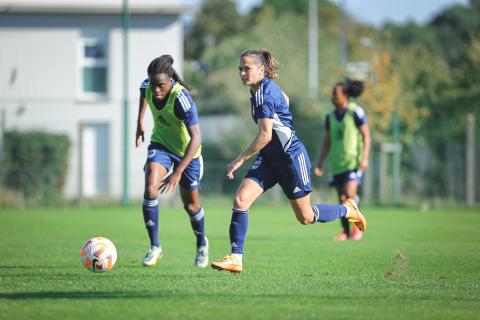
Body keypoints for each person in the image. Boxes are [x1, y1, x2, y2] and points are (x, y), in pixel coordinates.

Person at [211, 49, 367, 273]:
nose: (243, 73)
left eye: (247, 69)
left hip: (291, 158)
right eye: (240, 69)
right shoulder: (259, 91)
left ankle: (347, 210)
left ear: (261, 70)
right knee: (241, 201)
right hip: (269, 159)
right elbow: (285, 99)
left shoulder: (264, 94)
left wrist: (239, 159)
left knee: (306, 217)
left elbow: (264, 136)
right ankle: (236, 258)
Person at [135, 55, 208, 267]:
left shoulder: (181, 98)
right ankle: (155, 247)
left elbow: (196, 138)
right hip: (161, 145)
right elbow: (144, 94)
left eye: (161, 86)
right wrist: (140, 123)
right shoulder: (147, 86)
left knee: (191, 206)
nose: (156, 91)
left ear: (170, 81)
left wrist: (177, 173)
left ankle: (202, 243)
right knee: (150, 190)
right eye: (153, 85)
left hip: (188, 154)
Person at [314, 79, 371, 241]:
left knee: (349, 197)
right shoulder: (330, 116)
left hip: (353, 162)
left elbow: (366, 135)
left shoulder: (355, 112)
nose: (332, 96)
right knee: (341, 200)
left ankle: (356, 229)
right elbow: (327, 140)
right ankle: (345, 232)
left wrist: (365, 158)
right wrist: (320, 161)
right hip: (337, 163)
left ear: (345, 95)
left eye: (335, 94)